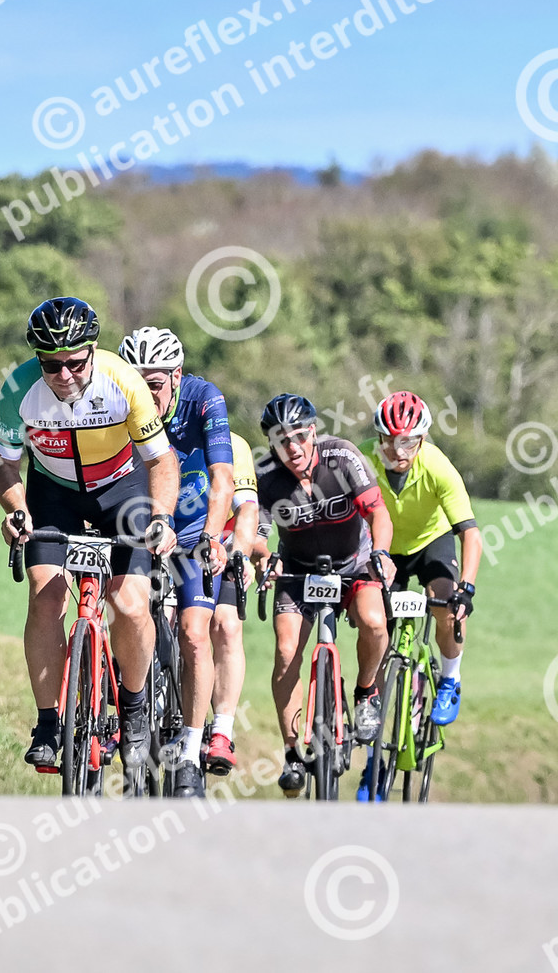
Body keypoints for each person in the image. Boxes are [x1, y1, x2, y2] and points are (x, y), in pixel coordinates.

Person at [0, 297, 180, 776]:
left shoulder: (123, 381)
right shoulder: (19, 389)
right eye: (51, 365)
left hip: (122, 489)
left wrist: (161, 517)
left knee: (130, 604)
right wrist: (16, 511)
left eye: (75, 363)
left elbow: (161, 460)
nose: (64, 375)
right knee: (44, 595)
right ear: (37, 360)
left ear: (93, 351)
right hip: (54, 491)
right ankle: (48, 724)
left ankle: (134, 708)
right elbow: (4, 464)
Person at [251, 393, 396, 797]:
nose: (293, 448)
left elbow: (378, 512)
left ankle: (366, 691)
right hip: (297, 569)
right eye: (282, 440)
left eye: (299, 436)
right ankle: (292, 754)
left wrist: (382, 553)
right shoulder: (267, 475)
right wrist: (264, 558)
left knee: (374, 623)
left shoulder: (342, 457)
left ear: (313, 432)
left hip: (353, 563)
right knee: (286, 653)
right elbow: (257, 535)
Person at [117, 325, 235, 797]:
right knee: (123, 616)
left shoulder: (204, 399)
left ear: (177, 376)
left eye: (155, 384)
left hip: (191, 530)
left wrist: (211, 537)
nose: (146, 394)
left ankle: (188, 749)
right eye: (137, 383)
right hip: (137, 526)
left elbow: (222, 477)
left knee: (193, 633)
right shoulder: (118, 400)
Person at [363, 391, 480, 736]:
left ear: (423, 438)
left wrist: (466, 589)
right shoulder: (364, 458)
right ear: (378, 437)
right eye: (389, 441)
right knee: (376, 624)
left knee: (446, 603)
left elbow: (470, 534)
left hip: (432, 541)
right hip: (385, 549)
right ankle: (371, 704)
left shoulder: (437, 466)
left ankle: (450, 679)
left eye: (408, 442)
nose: (397, 451)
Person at [205, 429, 260, 777]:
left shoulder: (233, 444)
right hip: (166, 539)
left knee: (226, 624)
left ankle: (222, 731)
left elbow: (247, 509)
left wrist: (241, 555)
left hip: (220, 543)